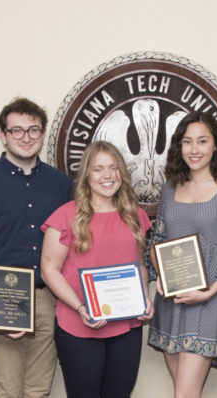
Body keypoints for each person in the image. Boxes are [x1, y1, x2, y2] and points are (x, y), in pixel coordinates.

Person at [0, 97, 72, 398]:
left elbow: (73, 247)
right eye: (17, 131)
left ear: (43, 133)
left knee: (39, 389)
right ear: (4, 136)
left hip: (50, 299)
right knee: (7, 389)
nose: (26, 137)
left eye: (33, 130)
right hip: (3, 297)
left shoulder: (62, 185)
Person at [147, 111, 217, 398]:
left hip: (209, 301)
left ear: (215, 146)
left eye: (202, 141)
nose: (194, 149)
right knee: (184, 393)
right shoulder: (170, 189)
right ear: (179, 147)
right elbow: (158, 239)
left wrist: (208, 292)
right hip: (172, 301)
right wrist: (160, 276)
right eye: (187, 142)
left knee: (184, 394)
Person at [40, 141, 153, 398]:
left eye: (113, 168)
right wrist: (81, 308)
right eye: (98, 169)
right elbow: (50, 270)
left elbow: (139, 265)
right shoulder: (65, 215)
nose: (107, 176)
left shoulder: (134, 215)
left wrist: (144, 296)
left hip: (126, 324)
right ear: (86, 176)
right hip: (79, 325)